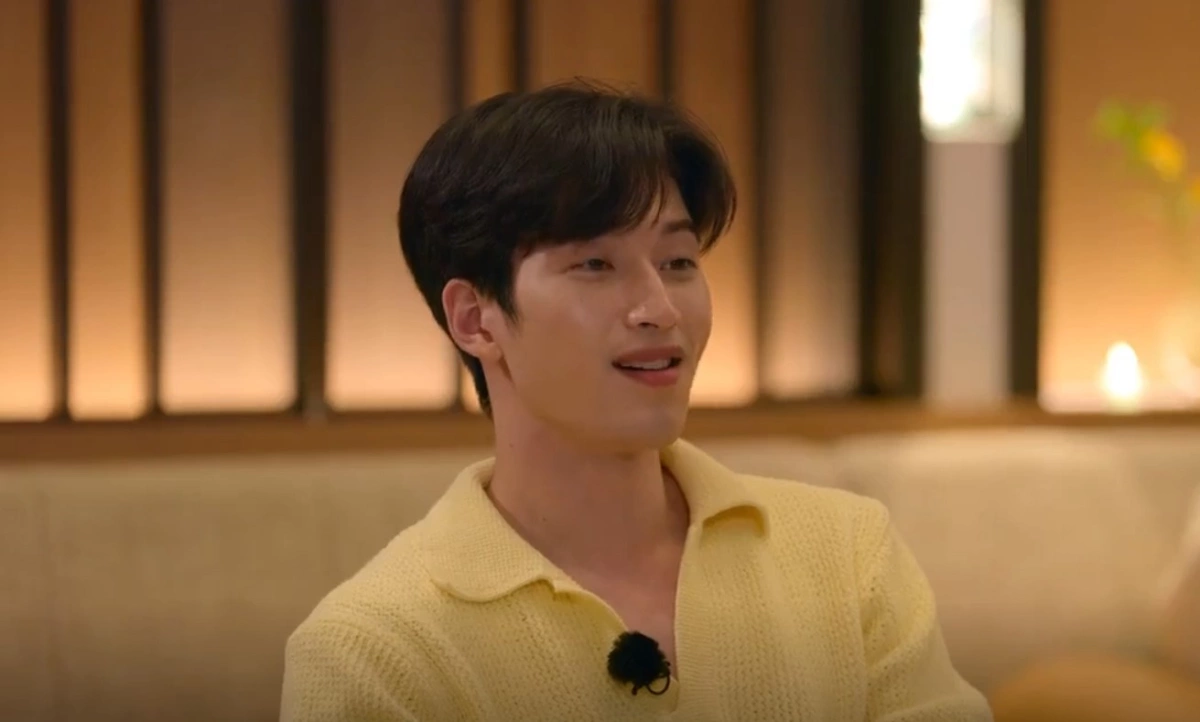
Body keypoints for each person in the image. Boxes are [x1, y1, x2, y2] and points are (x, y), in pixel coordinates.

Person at [280, 80, 992, 721]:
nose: (660, 308)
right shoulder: (373, 651)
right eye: (595, 264)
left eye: (678, 262)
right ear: (476, 319)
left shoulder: (846, 555)